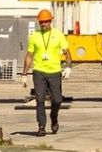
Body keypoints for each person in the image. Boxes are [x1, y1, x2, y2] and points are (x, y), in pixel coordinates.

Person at [22, 9, 71, 137]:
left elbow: (67, 52)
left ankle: (54, 117)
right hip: (39, 72)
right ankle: (41, 126)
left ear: (51, 21)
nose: (43, 24)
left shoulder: (58, 35)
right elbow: (29, 55)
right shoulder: (34, 36)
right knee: (40, 99)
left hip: (55, 72)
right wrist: (24, 74)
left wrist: (68, 67)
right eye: (41, 22)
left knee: (57, 100)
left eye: (45, 22)